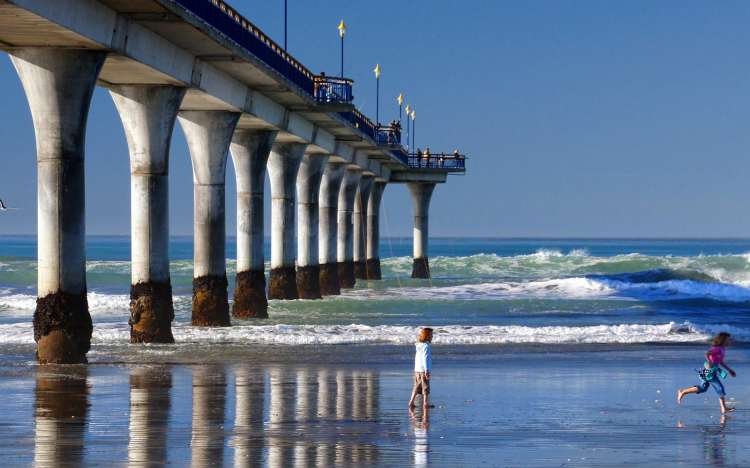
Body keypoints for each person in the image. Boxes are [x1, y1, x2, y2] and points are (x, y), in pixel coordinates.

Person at [677, 332, 737, 414]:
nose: (729, 341)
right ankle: (724, 408)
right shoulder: (717, 348)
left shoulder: (722, 349)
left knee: (703, 388)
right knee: (720, 388)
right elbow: (707, 353)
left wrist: (729, 370)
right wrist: (710, 362)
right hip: (710, 370)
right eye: (728, 339)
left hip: (712, 370)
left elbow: (721, 361)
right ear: (723, 340)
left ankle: (683, 391)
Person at [408, 327, 433, 411]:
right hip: (423, 370)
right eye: (431, 335)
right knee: (425, 387)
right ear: (427, 336)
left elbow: (417, 358)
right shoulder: (426, 346)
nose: (432, 337)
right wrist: (427, 370)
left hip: (417, 369)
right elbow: (425, 358)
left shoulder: (418, 345)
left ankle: (411, 402)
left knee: (416, 387)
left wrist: (416, 368)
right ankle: (425, 403)